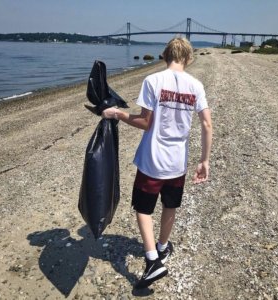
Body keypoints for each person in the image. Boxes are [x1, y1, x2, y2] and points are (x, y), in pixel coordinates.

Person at [102, 37, 212, 289]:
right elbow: (207, 123)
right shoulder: (196, 85)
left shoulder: (153, 81)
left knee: (143, 208)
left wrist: (118, 114)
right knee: (170, 204)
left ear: (164, 55)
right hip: (178, 161)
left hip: (153, 160)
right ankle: (162, 247)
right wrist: (204, 160)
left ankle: (152, 261)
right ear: (188, 58)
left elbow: (145, 122)